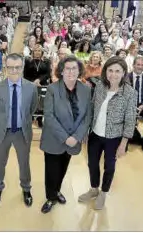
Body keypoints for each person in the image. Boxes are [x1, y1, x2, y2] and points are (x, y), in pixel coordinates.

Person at [78, 56, 137, 210]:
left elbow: (130, 119)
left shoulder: (130, 93)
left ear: (124, 72)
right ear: (105, 71)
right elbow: (91, 109)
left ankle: (104, 192)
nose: (113, 74)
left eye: (118, 71)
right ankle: (94, 189)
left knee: (109, 166)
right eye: (110, 70)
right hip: (95, 134)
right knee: (92, 163)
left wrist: (123, 144)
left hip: (114, 137)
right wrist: (86, 130)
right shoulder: (100, 86)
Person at [39, 56, 92, 213]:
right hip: (54, 138)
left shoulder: (86, 90)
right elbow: (48, 116)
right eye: (67, 68)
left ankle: (57, 191)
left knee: (62, 169)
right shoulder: (52, 89)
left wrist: (76, 136)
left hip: (73, 139)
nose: (71, 71)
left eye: (74, 68)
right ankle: (50, 197)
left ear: (79, 71)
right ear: (61, 71)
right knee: (51, 171)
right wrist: (65, 138)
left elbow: (87, 116)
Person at [0, 53, 38, 207]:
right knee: (0, 162)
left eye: (17, 67)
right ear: (5, 68)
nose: (14, 71)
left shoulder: (31, 88)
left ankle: (26, 188)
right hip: (3, 132)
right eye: (10, 67)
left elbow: (32, 108)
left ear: (22, 67)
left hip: (22, 132)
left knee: (24, 163)